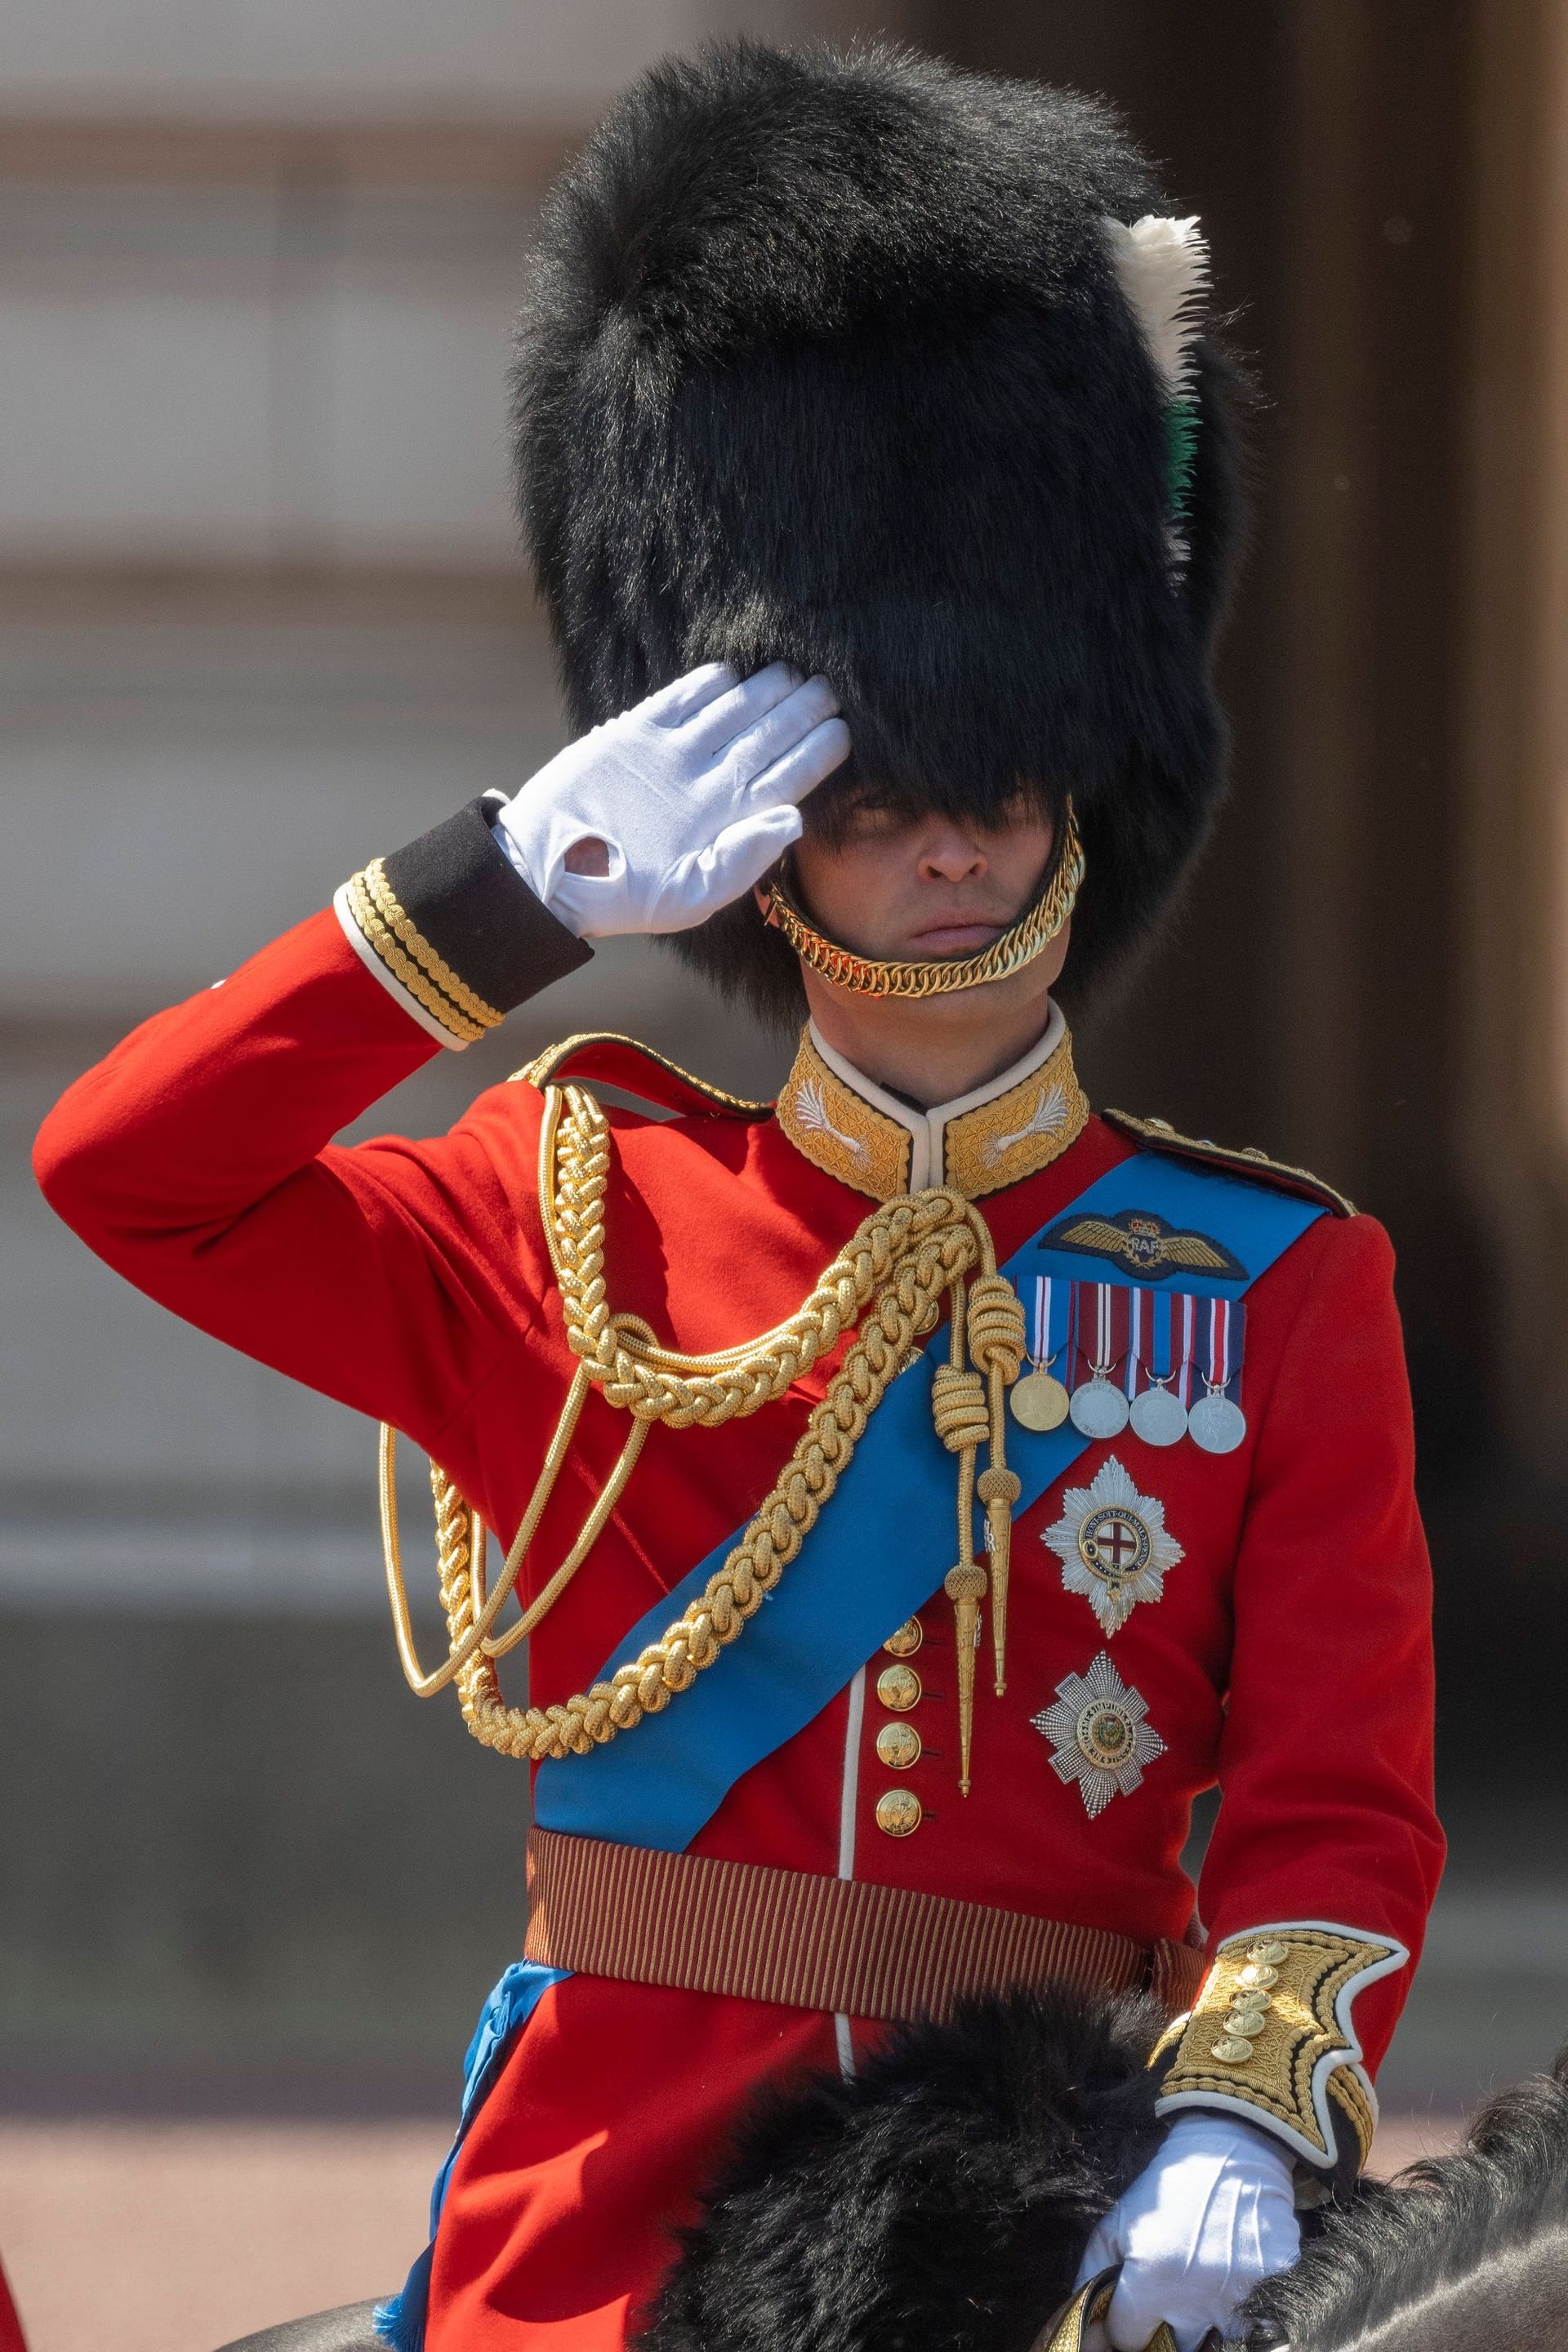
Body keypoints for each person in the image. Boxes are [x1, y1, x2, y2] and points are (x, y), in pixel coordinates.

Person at [33, 42, 1443, 2352]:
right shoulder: (559, 1212)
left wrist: (1248, 2123)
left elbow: (1333, 1813)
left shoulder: (1282, 1289)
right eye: (879, 789)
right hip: (597, 2241)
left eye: (997, 778)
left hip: (1036, 2211)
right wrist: (500, 897)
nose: (956, 837)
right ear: (775, 822)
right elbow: (128, 1171)